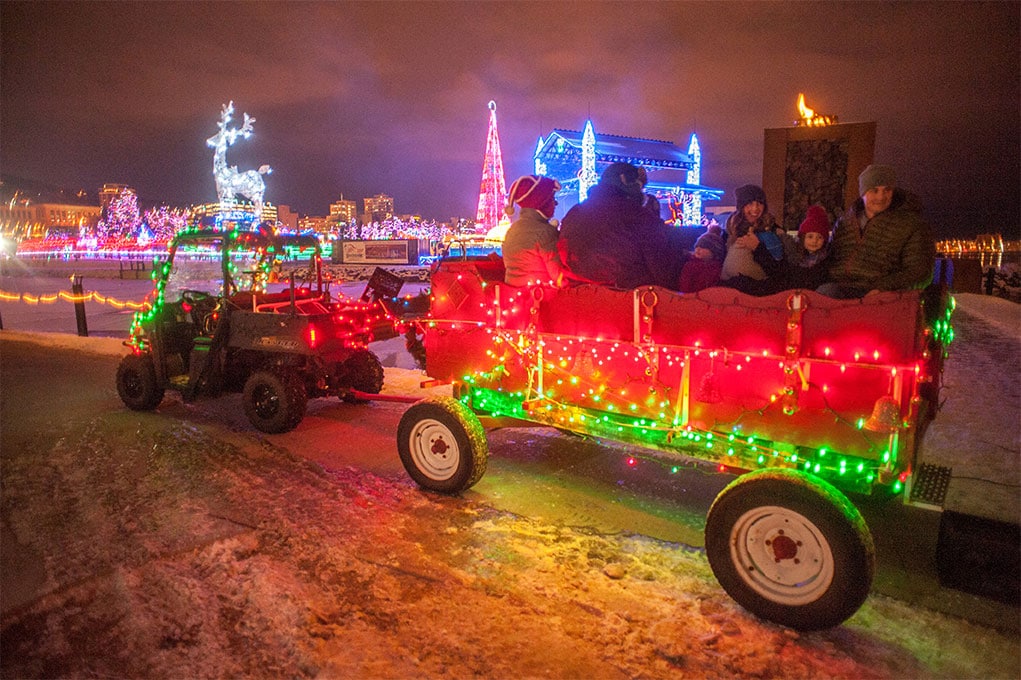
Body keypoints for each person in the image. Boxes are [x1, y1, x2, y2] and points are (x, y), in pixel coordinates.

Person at [819, 164, 935, 298]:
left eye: (887, 190)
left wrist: (883, 288)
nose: (881, 197)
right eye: (874, 190)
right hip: (838, 289)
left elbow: (920, 272)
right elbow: (830, 258)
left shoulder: (912, 225)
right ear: (863, 193)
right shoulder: (845, 222)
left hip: (882, 295)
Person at [557, 162, 676, 289]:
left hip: (577, 293)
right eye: (639, 186)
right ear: (626, 181)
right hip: (627, 297)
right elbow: (662, 269)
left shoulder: (574, 212)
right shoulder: (637, 215)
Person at [719, 184, 794, 295]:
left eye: (759, 203)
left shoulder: (774, 231)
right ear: (741, 206)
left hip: (756, 293)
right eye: (750, 203)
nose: (755, 208)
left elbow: (780, 272)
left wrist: (757, 248)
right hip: (728, 291)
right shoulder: (731, 230)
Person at [501, 175, 569, 288]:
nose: (555, 204)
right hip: (540, 298)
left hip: (514, 297)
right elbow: (559, 277)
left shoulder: (512, 230)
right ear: (543, 204)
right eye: (552, 200)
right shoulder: (545, 233)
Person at [785, 204, 832, 290]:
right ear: (803, 238)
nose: (814, 241)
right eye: (810, 236)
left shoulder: (825, 259)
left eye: (819, 237)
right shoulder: (795, 258)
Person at [678, 228, 725, 293]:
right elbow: (684, 285)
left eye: (704, 247)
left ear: (714, 252)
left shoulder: (717, 268)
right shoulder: (690, 265)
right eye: (697, 246)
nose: (698, 249)